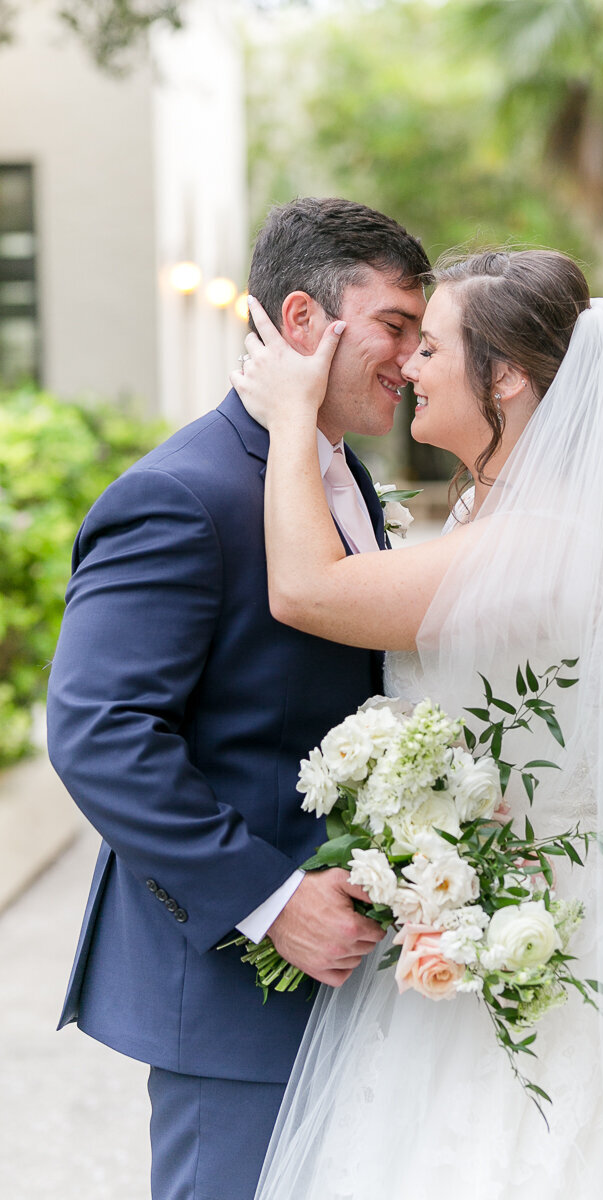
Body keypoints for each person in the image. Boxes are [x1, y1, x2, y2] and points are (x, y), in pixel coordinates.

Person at [233, 248, 603, 1198]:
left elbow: (308, 588)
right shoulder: (492, 510)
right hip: (462, 924)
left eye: (432, 346)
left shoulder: (542, 541)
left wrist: (284, 418)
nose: (410, 367)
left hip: (521, 943)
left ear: (508, 376)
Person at [46, 196, 430, 1200]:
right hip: (235, 989)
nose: (411, 360)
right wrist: (269, 904)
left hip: (352, 977)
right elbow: (98, 731)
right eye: (393, 326)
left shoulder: (339, 477)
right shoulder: (183, 492)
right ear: (302, 322)